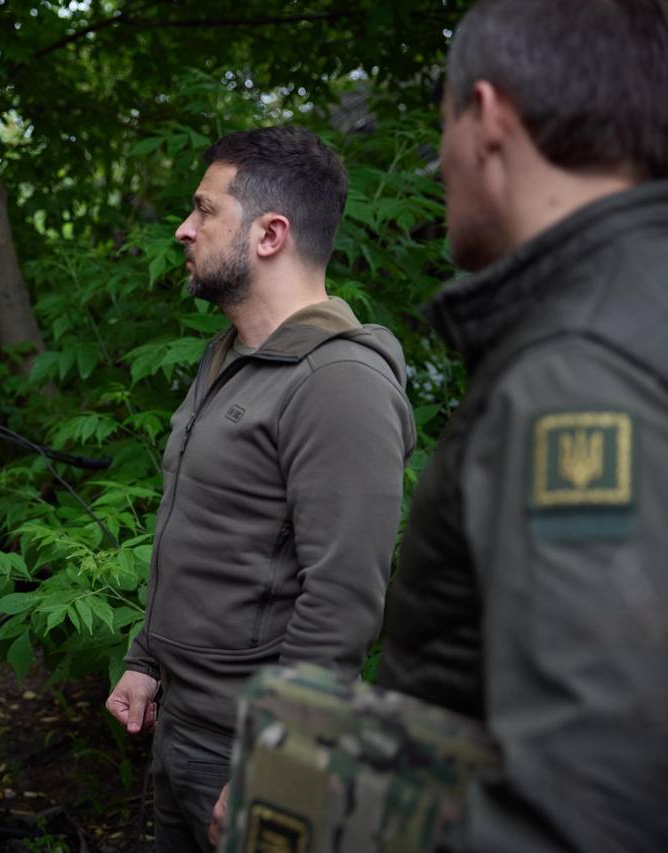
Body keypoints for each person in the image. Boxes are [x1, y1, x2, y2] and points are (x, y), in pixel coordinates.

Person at [375, 0, 668, 849]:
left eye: (445, 126)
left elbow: (594, 800)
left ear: (490, 119)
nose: (441, 163)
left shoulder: (579, 375)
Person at [105, 126, 415, 852]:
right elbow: (200, 528)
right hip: (182, 726)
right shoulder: (228, 357)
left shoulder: (341, 383)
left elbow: (342, 599)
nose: (184, 229)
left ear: (270, 234)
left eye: (205, 211)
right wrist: (147, 659)